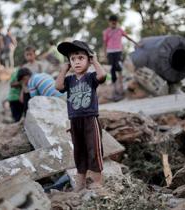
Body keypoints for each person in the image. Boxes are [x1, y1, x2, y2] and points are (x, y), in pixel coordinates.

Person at [55, 40, 106, 192]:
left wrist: (95, 60)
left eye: (81, 58)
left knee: (94, 150)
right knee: (79, 152)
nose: (77, 62)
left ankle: (97, 184)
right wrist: (63, 70)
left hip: (90, 119)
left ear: (88, 61)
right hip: (75, 121)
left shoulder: (90, 77)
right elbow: (58, 86)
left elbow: (102, 76)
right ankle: (80, 185)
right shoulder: (69, 80)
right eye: (73, 59)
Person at [103, 14, 140, 101]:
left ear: (117, 23)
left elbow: (128, 37)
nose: (114, 24)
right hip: (110, 52)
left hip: (118, 51)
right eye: (112, 23)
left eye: (115, 23)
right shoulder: (106, 32)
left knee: (119, 68)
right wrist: (104, 55)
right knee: (112, 70)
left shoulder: (120, 30)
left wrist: (137, 43)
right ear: (109, 23)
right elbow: (104, 44)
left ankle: (121, 89)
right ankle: (115, 91)